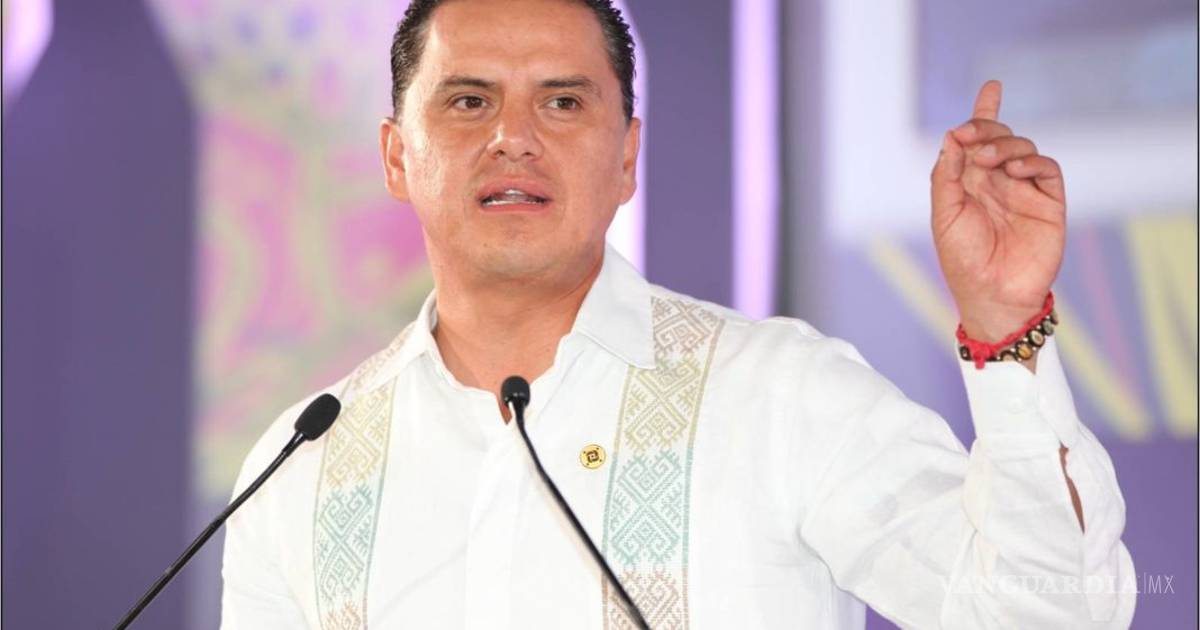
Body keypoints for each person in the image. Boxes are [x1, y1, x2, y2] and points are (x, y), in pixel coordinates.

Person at [220, 0, 1136, 628]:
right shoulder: (301, 466)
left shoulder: (781, 395)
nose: (513, 138)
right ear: (396, 157)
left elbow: (1043, 616)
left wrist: (1008, 328)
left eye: (563, 101)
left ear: (628, 158)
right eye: (468, 101)